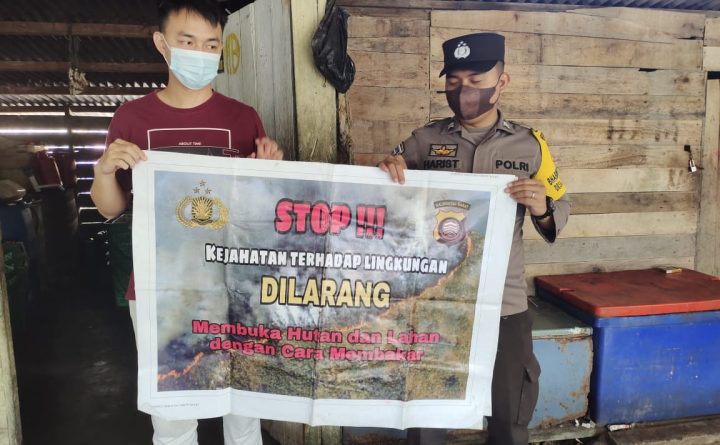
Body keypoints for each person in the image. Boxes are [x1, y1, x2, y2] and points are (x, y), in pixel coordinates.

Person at [90, 1, 282, 444]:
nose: (200, 53)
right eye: (187, 41)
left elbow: (257, 212)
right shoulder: (132, 117)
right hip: (160, 289)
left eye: (211, 45)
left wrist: (269, 172)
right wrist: (103, 171)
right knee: (173, 412)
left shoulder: (242, 117)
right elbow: (110, 209)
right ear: (162, 43)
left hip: (231, 285)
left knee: (242, 405)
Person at [379, 32, 571, 445]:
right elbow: (383, 189)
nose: (464, 90)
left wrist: (543, 206)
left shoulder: (531, 146)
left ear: (502, 82)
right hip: (437, 300)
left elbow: (561, 208)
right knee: (426, 412)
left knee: (509, 415)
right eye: (454, 81)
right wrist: (387, 170)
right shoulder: (424, 140)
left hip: (504, 304)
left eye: (476, 80)